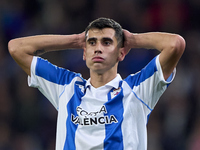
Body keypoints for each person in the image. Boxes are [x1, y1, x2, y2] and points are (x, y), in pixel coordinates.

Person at [8, 17, 185, 150]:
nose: (98, 48)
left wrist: (133, 39)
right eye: (92, 42)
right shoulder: (66, 86)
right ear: (84, 53)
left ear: (121, 53)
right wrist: (75, 40)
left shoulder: (137, 90)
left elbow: (175, 44)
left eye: (107, 42)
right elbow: (16, 48)